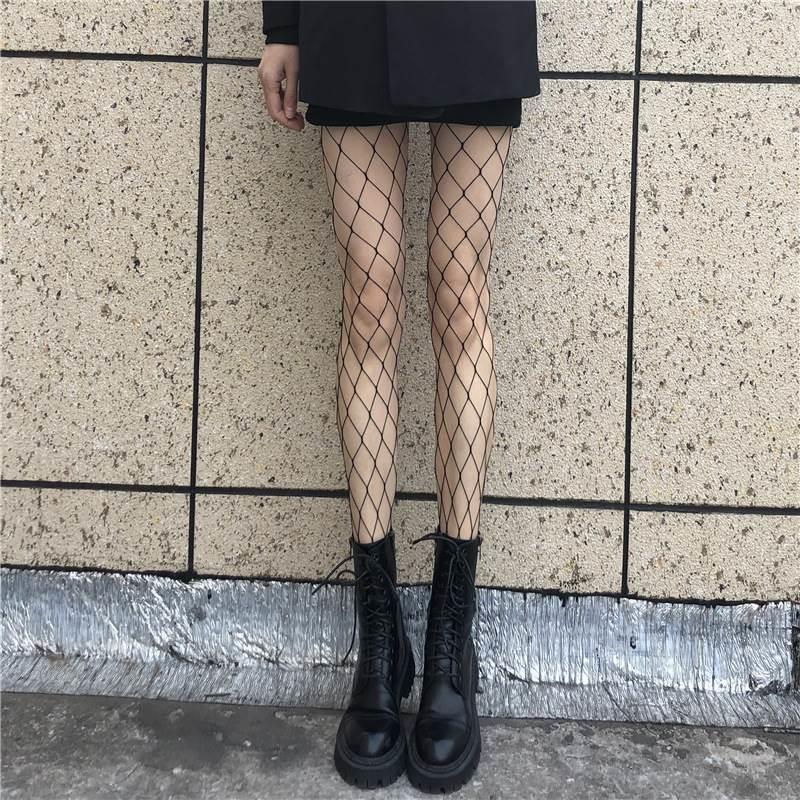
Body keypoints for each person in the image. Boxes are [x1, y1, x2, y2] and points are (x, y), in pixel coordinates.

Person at [257, 1, 541, 793]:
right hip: (349, 16)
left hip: (476, 17)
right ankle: (381, 642)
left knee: (460, 296)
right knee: (371, 301)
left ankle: (452, 640)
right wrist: (283, 26)